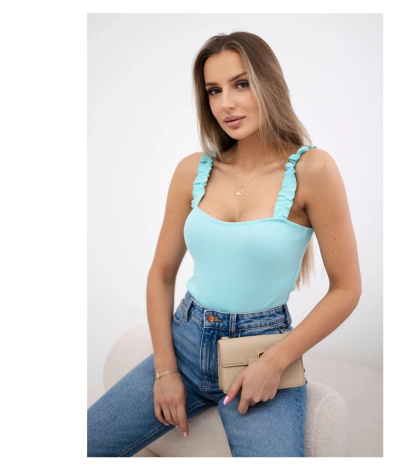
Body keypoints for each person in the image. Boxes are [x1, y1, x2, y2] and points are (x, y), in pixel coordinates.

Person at [87, 31, 361, 457]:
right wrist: (165, 371)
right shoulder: (192, 171)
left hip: (262, 349)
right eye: (214, 90)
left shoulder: (313, 170)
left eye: (241, 84)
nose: (226, 104)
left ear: (268, 84)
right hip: (186, 340)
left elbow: (347, 288)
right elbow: (161, 274)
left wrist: (274, 362)